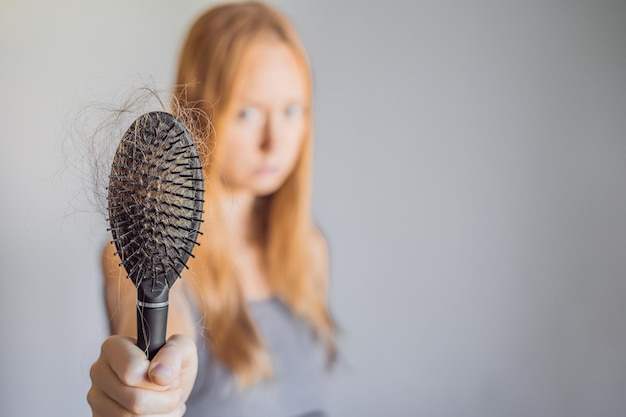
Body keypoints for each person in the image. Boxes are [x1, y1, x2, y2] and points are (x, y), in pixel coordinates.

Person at [87, 2, 336, 416]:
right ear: (202, 109)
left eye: (292, 110)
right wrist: (154, 386)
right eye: (249, 112)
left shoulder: (309, 249)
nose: (275, 141)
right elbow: (165, 339)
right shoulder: (142, 255)